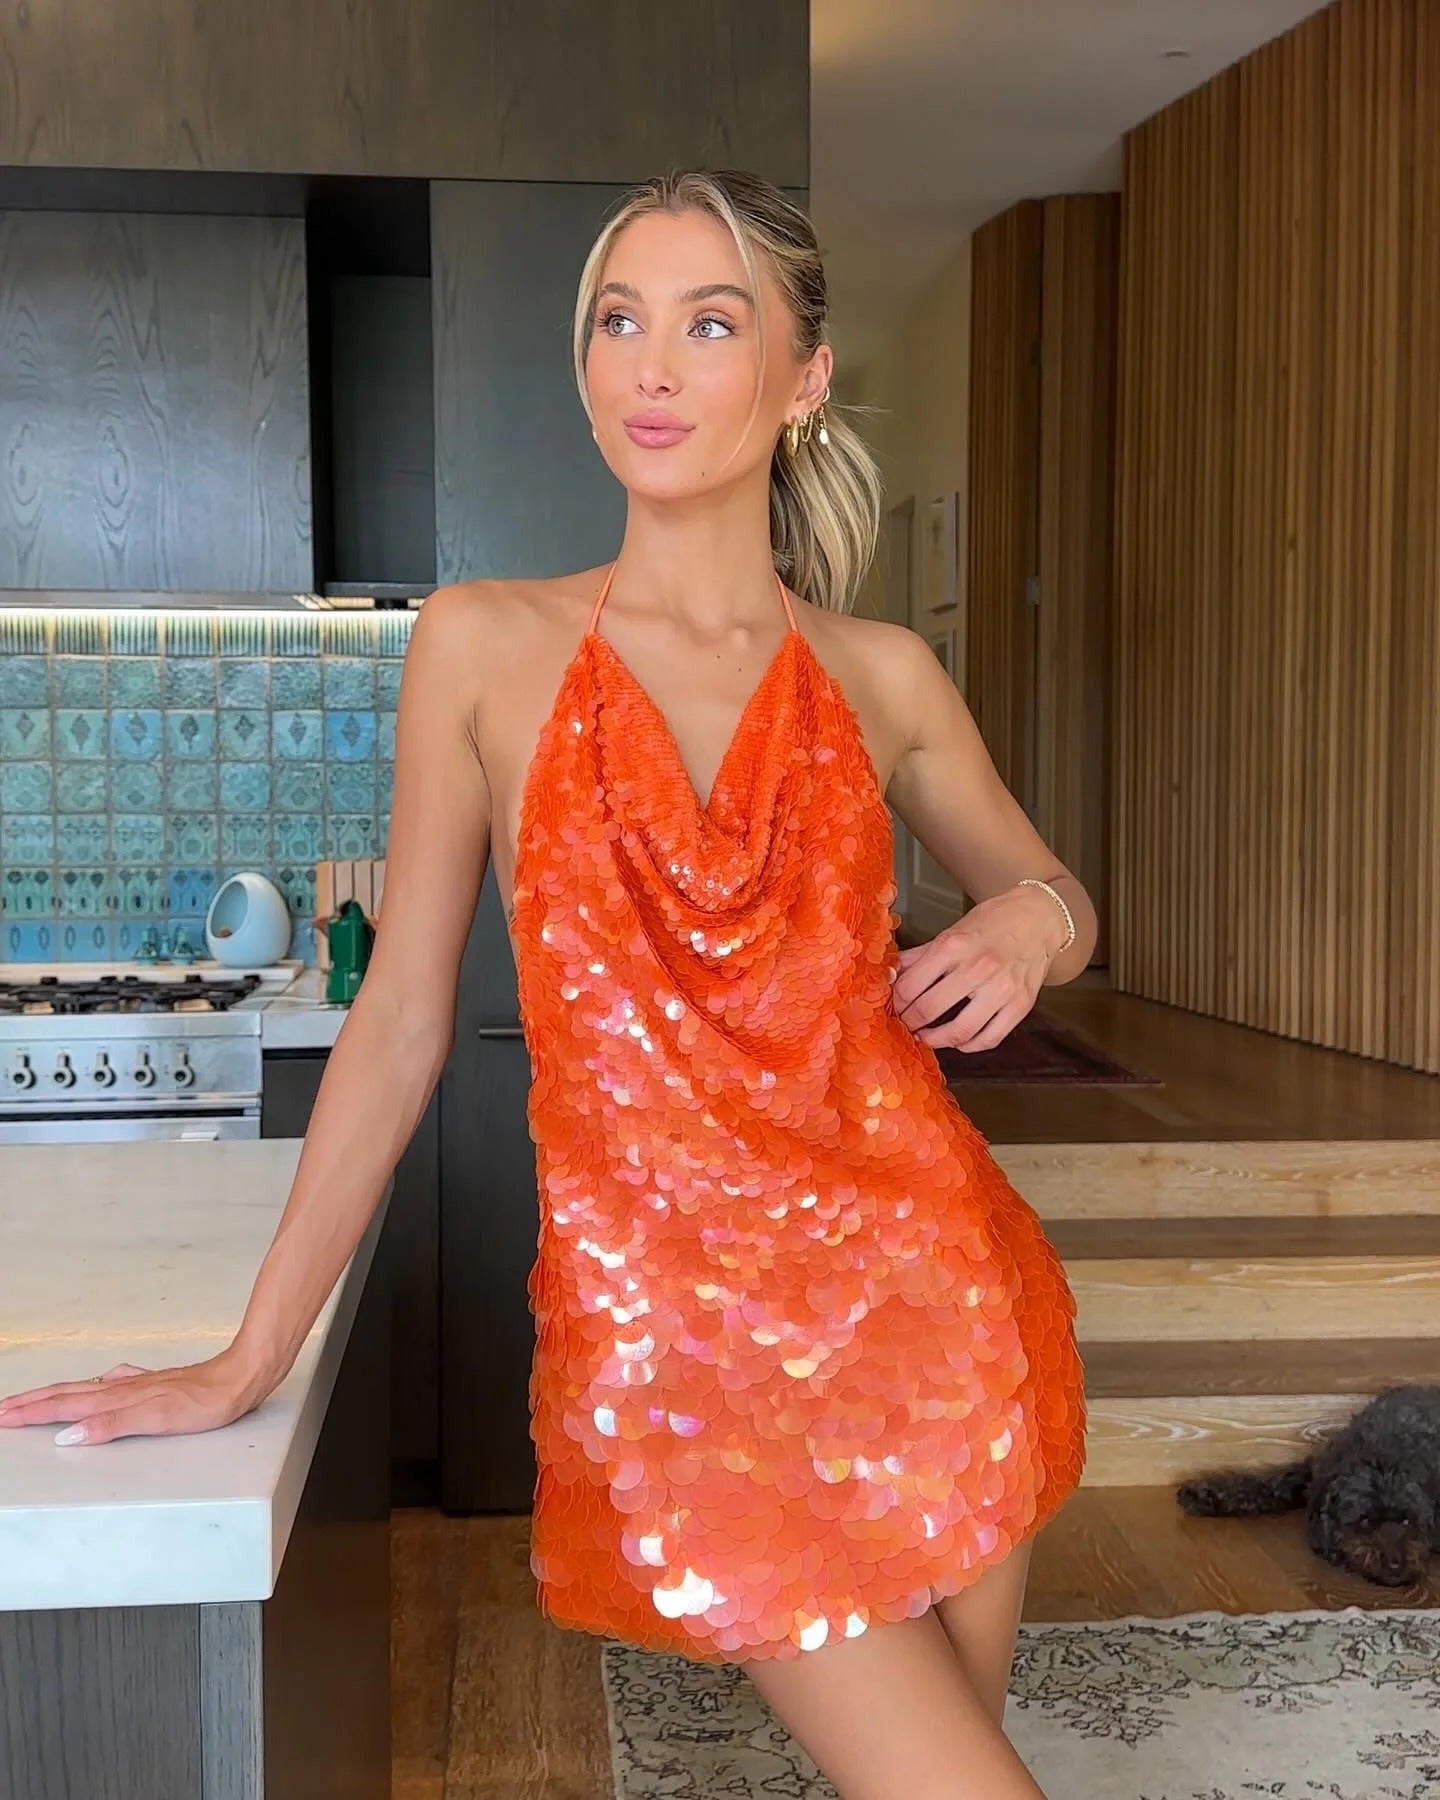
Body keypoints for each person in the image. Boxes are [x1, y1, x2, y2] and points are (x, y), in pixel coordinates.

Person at [0, 169, 1095, 1799]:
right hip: (682, 1356)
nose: (649, 364)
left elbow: (1058, 894)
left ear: (802, 377)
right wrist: (249, 1357)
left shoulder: (886, 675)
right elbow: (399, 1025)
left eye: (709, 323)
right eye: (617, 320)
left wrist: (1032, 925)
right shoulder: (481, 644)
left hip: (928, 1309)